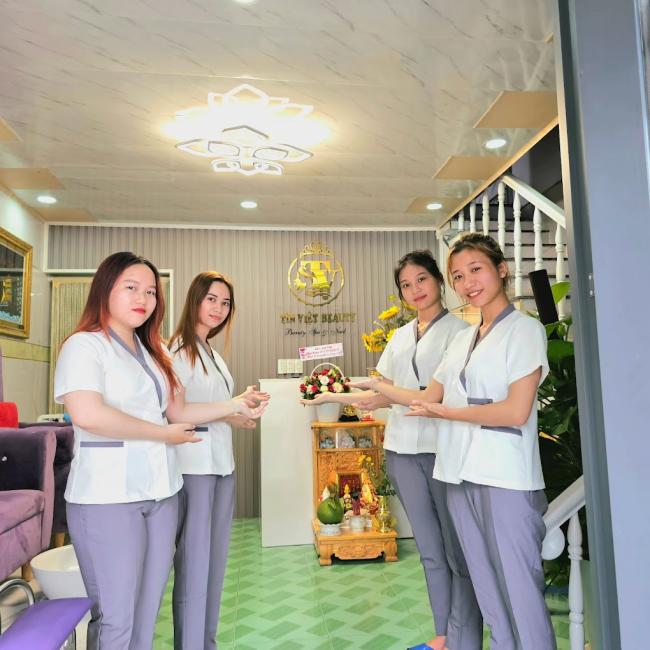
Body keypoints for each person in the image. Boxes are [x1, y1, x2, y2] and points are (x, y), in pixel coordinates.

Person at [54, 252, 264, 650]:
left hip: (161, 492)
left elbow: (179, 411)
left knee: (146, 615)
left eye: (150, 291)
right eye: (131, 288)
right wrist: (162, 433)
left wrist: (235, 408)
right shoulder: (84, 346)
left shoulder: (155, 352)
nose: (143, 298)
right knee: (117, 620)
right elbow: (88, 414)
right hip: (108, 497)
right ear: (105, 289)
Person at [366, 234, 556, 649]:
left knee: (520, 596)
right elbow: (427, 396)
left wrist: (449, 414)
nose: (467, 282)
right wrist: (369, 388)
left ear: (501, 269)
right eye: (458, 275)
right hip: (459, 475)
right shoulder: (463, 339)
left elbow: (515, 411)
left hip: (505, 479)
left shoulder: (524, 330)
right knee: (488, 596)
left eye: (476, 270)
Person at [304, 250, 482, 650]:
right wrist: (329, 395)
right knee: (430, 550)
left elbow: (432, 395)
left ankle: (465, 637)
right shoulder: (400, 337)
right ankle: (443, 636)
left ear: (438, 280)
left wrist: (381, 390)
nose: (415, 290)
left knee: (457, 551)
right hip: (402, 451)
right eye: (406, 285)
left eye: (421, 279)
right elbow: (378, 393)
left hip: (442, 450)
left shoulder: (460, 332)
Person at [168, 271, 269, 650]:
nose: (218, 308)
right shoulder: (178, 351)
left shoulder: (211, 352)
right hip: (194, 468)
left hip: (222, 467)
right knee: (195, 566)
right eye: (211, 299)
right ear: (195, 299)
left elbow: (211, 407)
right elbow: (177, 412)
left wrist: (237, 412)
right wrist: (233, 405)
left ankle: (205, 642)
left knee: (213, 565)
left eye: (225, 303)